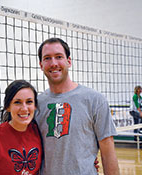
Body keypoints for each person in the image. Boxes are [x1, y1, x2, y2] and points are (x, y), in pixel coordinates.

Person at [36, 38, 120, 174]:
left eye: (58, 57)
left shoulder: (95, 100)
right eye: (47, 58)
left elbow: (108, 153)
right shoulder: (36, 104)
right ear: (41, 65)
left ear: (68, 61)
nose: (53, 63)